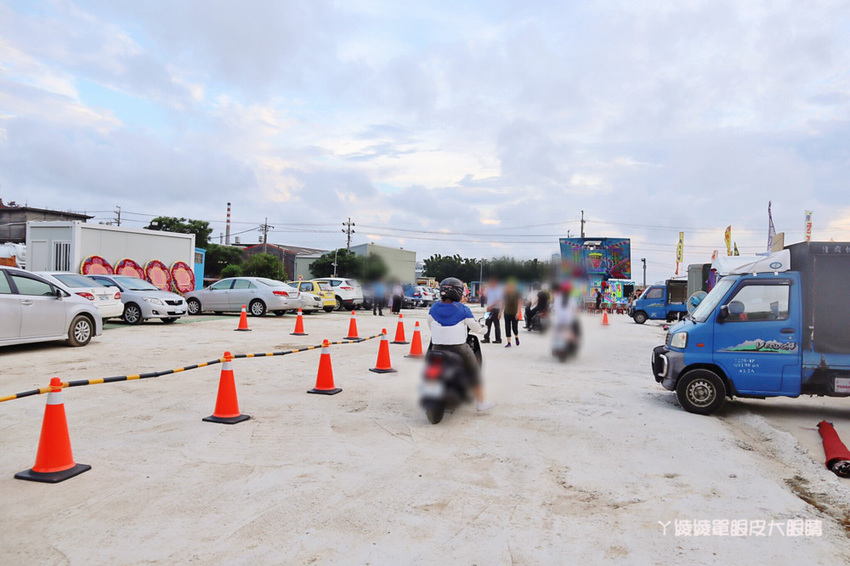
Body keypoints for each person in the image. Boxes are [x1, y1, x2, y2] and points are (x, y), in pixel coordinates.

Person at [427, 277, 494, 411]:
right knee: (474, 371)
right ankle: (481, 402)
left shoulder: (433, 308)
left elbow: (430, 325)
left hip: (436, 347)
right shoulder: (463, 310)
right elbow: (476, 328)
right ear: (458, 292)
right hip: (458, 348)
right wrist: (485, 329)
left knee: (428, 365)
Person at [502, 279, 522, 347]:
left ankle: (516, 337)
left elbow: (519, 303)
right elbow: (503, 303)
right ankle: (509, 342)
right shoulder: (506, 294)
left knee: (514, 327)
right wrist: (500, 312)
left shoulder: (517, 293)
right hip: (506, 312)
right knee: (507, 327)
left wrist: (518, 312)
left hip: (514, 313)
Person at [482, 277, 502, 344]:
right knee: (487, 324)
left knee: (496, 325)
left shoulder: (498, 290)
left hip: (495, 309)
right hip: (488, 309)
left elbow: (498, 300)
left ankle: (498, 339)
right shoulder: (489, 290)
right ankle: (486, 338)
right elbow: (484, 294)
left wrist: (491, 306)